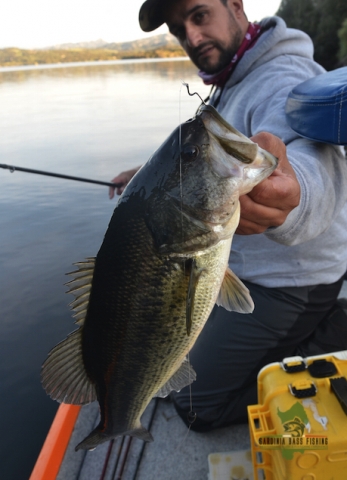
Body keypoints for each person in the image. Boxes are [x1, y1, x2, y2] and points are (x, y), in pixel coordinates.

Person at [109, 0, 347, 431]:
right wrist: (146, 178)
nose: (193, 38)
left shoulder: (283, 76)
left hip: (294, 282)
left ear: (235, 6)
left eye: (199, 16)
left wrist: (293, 197)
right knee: (161, 360)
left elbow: (311, 161)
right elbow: (198, 165)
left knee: (197, 406)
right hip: (235, 269)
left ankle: (336, 330)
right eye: (180, 29)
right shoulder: (232, 79)